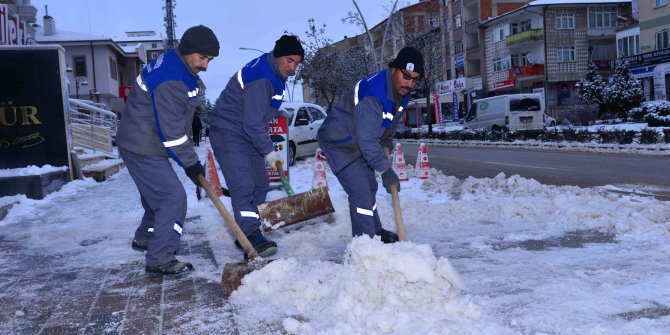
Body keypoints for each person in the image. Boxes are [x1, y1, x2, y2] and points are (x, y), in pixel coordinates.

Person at [116, 25, 219, 275]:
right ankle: (160, 258)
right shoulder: (172, 78)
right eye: (203, 58)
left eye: (210, 60)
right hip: (143, 146)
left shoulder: (177, 63)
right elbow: (172, 133)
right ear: (188, 51)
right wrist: (192, 165)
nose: (206, 65)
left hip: (140, 141)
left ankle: (146, 238)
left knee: (156, 197)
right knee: (172, 198)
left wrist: (190, 165)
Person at [209, 35, 304, 258]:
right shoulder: (262, 78)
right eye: (289, 60)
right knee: (244, 185)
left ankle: (246, 228)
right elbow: (252, 122)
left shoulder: (274, 73)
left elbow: (258, 117)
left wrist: (266, 146)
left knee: (260, 183)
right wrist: (269, 151)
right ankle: (250, 235)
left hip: (246, 133)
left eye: (296, 64)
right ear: (278, 55)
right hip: (229, 132)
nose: (292, 68)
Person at [316, 46, 424, 243]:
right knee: (361, 192)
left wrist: (387, 138)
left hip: (358, 139)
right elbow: (366, 140)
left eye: (415, 80)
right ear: (394, 69)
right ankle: (364, 245)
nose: (409, 84)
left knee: (370, 186)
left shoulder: (400, 90)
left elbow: (391, 118)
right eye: (406, 76)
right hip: (339, 141)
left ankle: (375, 231)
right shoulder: (374, 94)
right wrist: (386, 169)